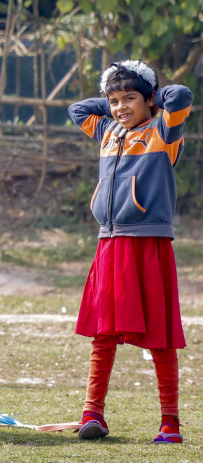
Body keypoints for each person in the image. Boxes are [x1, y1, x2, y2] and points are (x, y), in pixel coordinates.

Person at [68, 60, 193, 444]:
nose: (121, 107)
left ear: (150, 99)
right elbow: (77, 110)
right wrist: (115, 99)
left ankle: (169, 423)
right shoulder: (107, 130)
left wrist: (153, 98)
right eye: (114, 101)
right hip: (109, 243)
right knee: (103, 333)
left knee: (160, 335)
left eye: (130, 99)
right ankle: (92, 414)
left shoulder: (164, 131)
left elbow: (181, 95)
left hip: (149, 242)